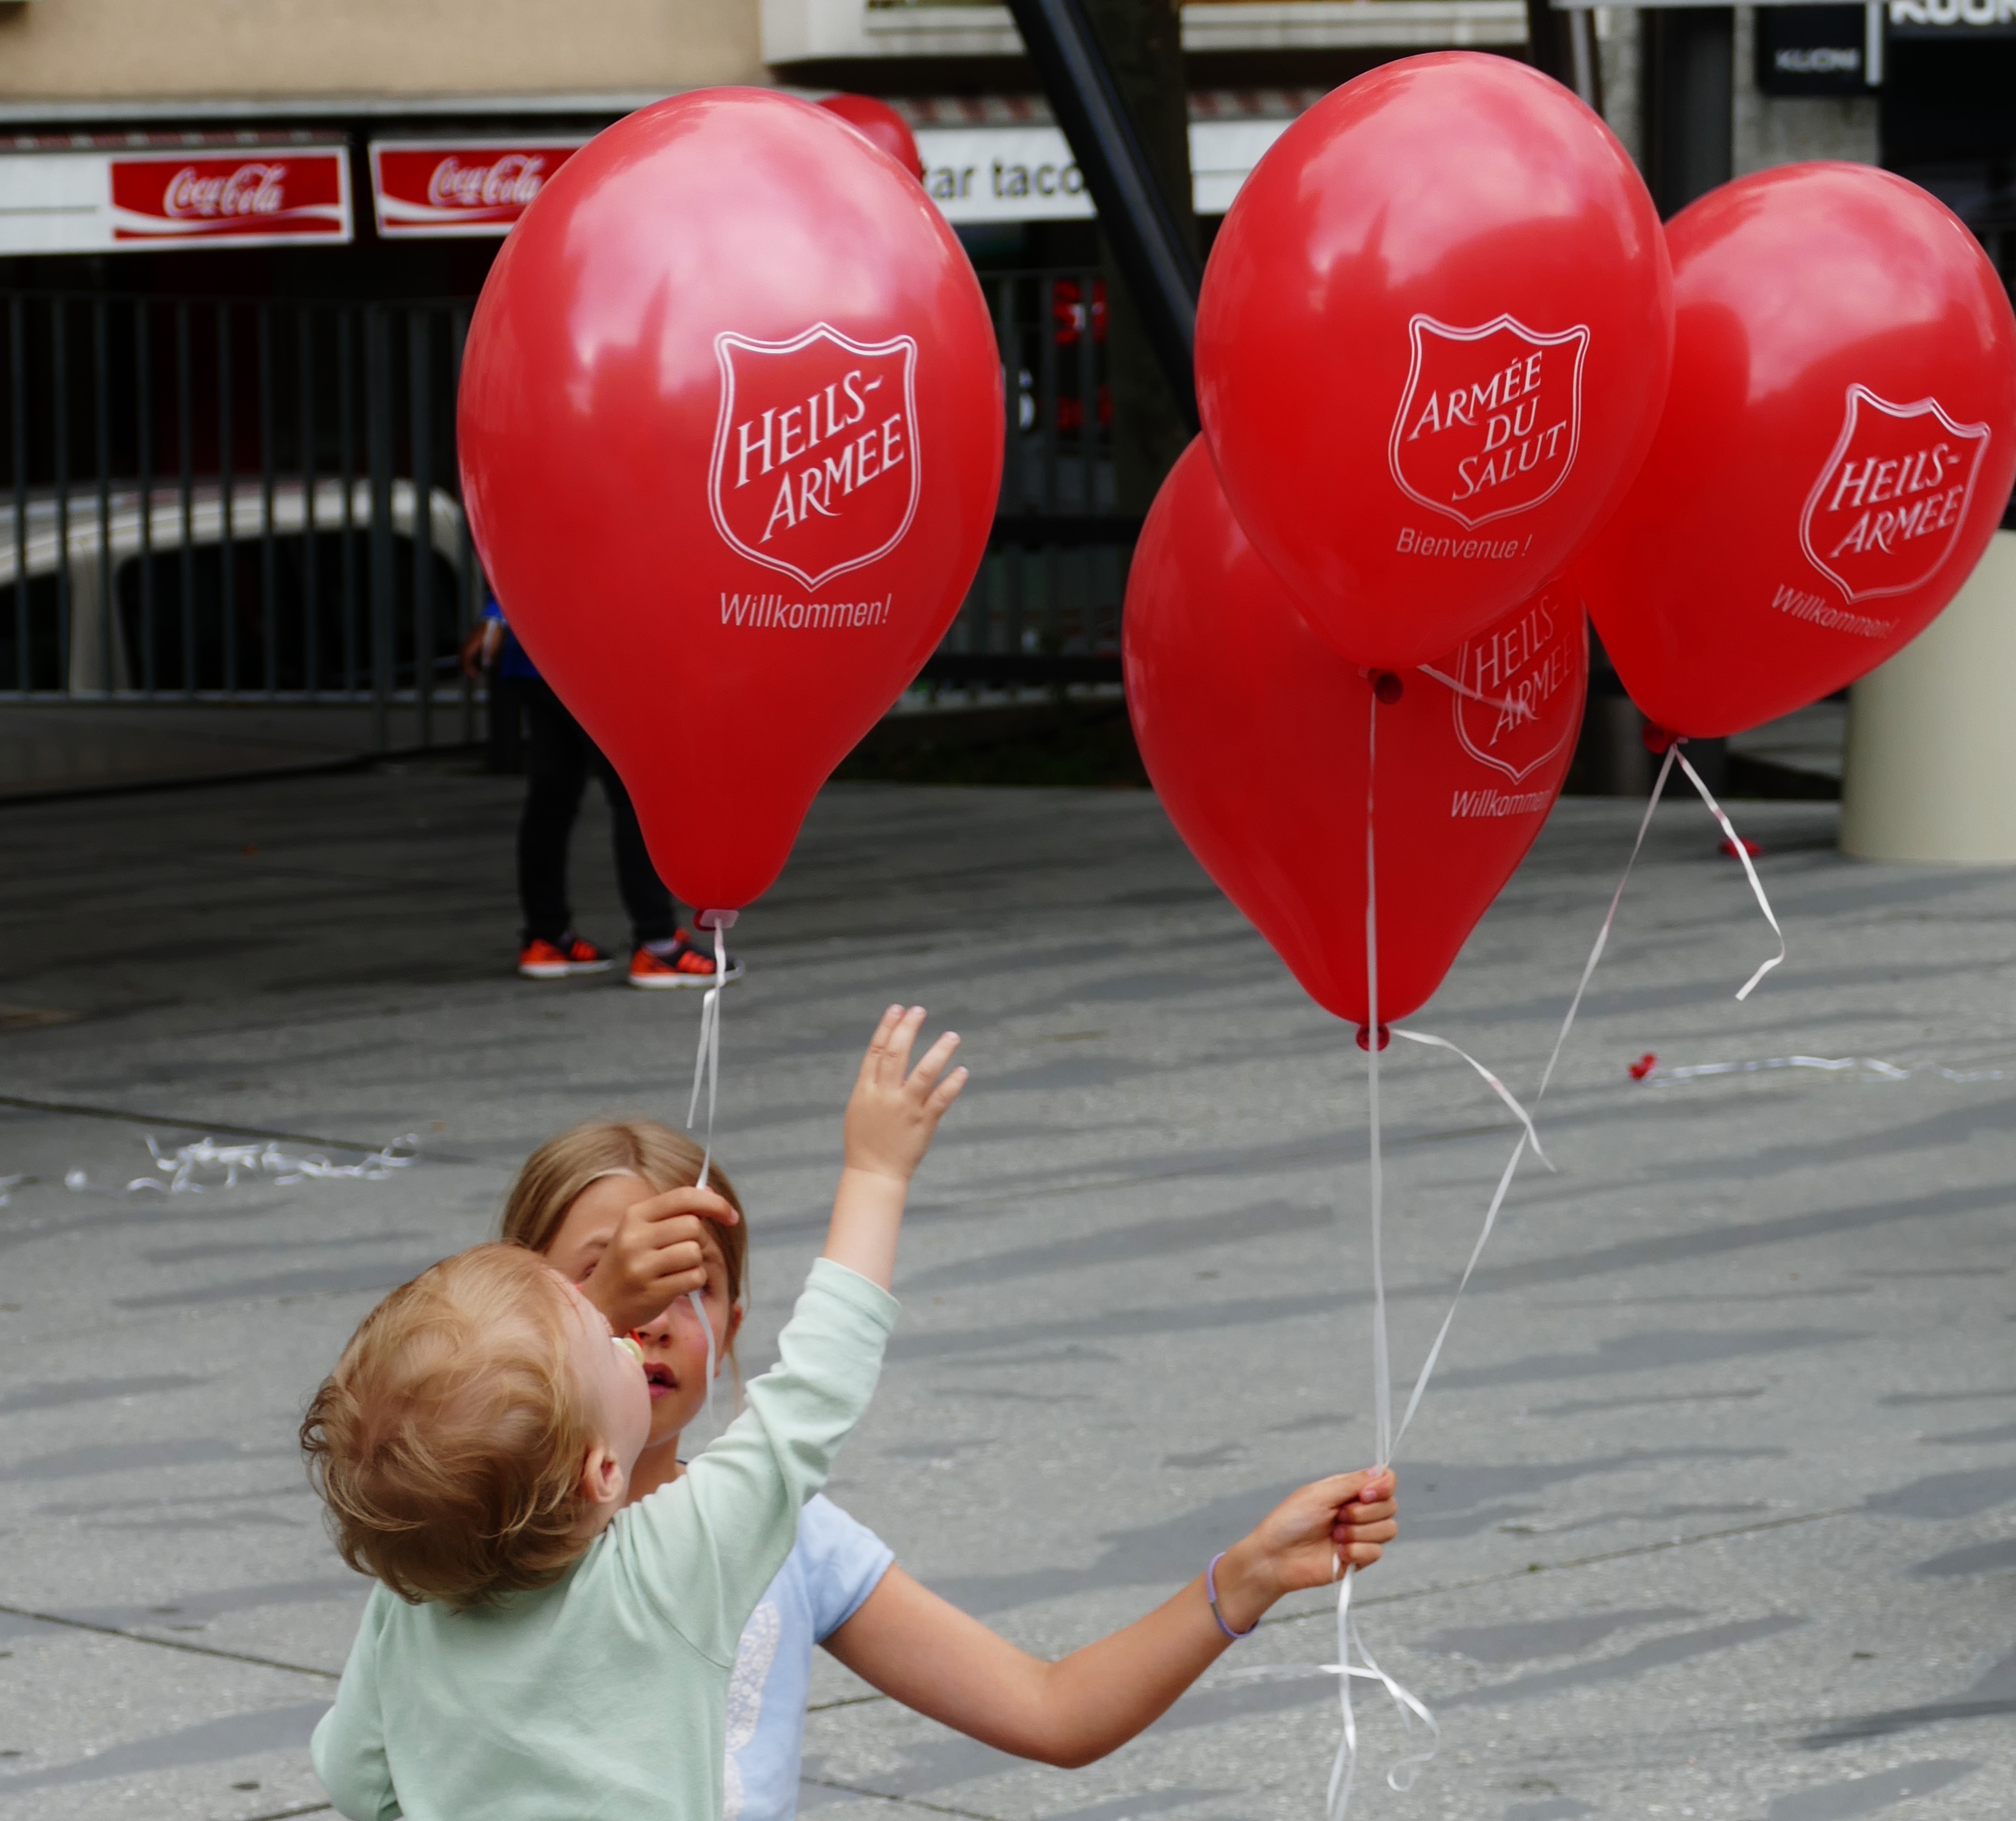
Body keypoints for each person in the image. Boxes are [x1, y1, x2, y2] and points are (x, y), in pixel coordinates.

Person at [507, 1120, 1401, 1816]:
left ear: (733, 1326)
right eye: (611, 1277)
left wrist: (1244, 1578)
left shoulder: (787, 1538)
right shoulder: (470, 1526)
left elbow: (1051, 1711)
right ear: (513, 1311)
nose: (653, 1314)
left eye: (688, 1283)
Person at [304, 1005, 966, 1821]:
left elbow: (356, 1779)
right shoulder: (675, 1563)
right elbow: (816, 1386)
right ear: (602, 1468)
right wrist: (875, 1175)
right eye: (601, 1325)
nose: (636, 1322)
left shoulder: (416, 1599)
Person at [463, 601, 739, 989]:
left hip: (535, 651)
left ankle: (547, 935)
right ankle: (656, 943)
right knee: (636, 792)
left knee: (552, 797)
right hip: (602, 651)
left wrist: (497, 611)